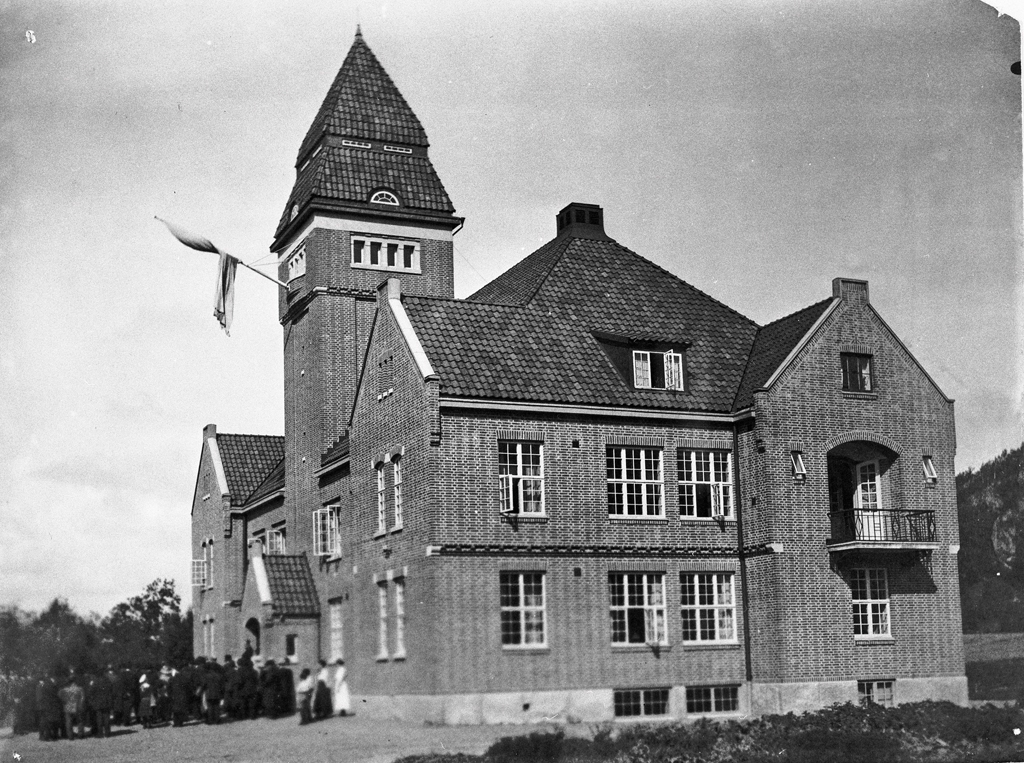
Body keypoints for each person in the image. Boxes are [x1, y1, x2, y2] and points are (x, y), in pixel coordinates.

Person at [59, 672, 86, 740]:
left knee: (69, 722)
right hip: (77, 706)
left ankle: (70, 736)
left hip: (68, 706)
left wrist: (64, 701)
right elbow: (83, 698)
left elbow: (60, 695)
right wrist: (81, 705)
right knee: (80, 721)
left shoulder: (65, 689)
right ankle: (80, 735)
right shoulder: (80, 689)